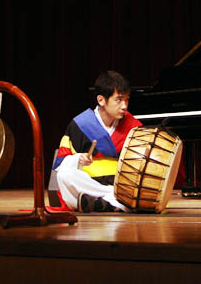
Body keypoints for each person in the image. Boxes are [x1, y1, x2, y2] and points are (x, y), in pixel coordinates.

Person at [53, 71, 142, 212]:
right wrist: (78, 159)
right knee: (64, 175)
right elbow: (60, 164)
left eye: (127, 99)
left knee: (137, 189)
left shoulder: (134, 126)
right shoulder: (79, 125)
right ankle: (111, 202)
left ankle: (97, 203)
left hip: (121, 185)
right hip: (88, 184)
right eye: (119, 100)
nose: (124, 106)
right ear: (101, 100)